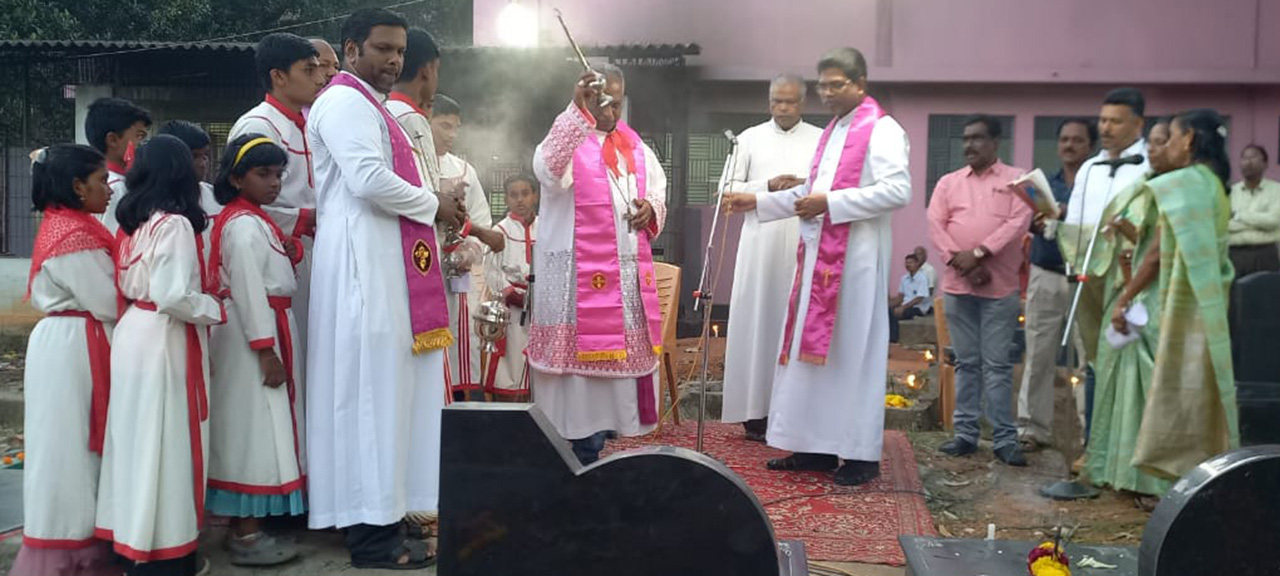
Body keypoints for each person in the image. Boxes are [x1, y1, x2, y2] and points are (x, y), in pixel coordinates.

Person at [305, 8, 463, 569]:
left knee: (391, 394)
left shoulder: (371, 104)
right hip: (360, 267)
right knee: (370, 398)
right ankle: (371, 536)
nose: (394, 60)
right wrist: (433, 204)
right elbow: (368, 179)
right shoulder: (345, 102)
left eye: (399, 50)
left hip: (384, 264)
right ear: (351, 50)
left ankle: (391, 516)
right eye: (382, 49)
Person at [723, 47, 911, 486]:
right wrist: (759, 201)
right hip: (818, 263)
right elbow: (811, 191)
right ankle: (815, 447)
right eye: (822, 86)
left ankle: (859, 456)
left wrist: (830, 203)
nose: (827, 94)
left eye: (835, 85)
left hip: (856, 265)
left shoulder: (882, 129)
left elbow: (897, 191)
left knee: (850, 357)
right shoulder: (833, 132)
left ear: (860, 83)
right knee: (810, 355)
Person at [95, 135, 223, 576]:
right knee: (168, 443)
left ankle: (131, 541)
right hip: (165, 335)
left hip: (134, 331)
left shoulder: (134, 223)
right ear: (181, 172)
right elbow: (173, 295)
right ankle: (166, 553)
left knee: (136, 440)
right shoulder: (174, 225)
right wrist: (214, 308)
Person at [529, 63, 668, 466]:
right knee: (578, 385)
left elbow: (658, 190)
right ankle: (575, 448)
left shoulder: (635, 147)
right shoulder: (567, 139)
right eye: (601, 102)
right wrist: (577, 113)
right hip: (576, 285)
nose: (609, 111)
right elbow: (548, 171)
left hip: (623, 284)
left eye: (616, 103)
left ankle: (604, 442)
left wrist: (651, 208)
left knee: (610, 389)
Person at [1102, 109, 1239, 504]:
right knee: (1197, 392)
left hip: (1175, 304)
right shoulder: (1214, 185)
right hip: (1208, 303)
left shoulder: (1183, 184)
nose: (1165, 147)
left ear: (1189, 139)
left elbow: (1157, 254)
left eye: (1172, 138)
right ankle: (1201, 482)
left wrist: (1124, 298)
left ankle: (1163, 485)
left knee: (1165, 390)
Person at [10, 145, 120, 576]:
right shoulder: (75, 237)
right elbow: (108, 300)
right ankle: (69, 545)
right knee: (70, 448)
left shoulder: (70, 225)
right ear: (77, 186)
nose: (109, 189)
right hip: (75, 347)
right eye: (101, 181)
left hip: (72, 343)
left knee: (69, 443)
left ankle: (81, 538)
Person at [205, 135, 306, 566]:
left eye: (278, 174)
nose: (274, 182)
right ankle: (245, 533)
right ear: (235, 178)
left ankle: (248, 527)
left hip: (267, 324)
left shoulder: (253, 219)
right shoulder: (244, 225)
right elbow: (248, 289)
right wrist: (265, 350)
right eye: (263, 174)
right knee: (253, 430)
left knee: (259, 426)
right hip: (254, 333)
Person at [228, 32, 324, 474]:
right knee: (295, 362)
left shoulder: (311, 121)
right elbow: (249, 204)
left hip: (315, 249)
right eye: (310, 70)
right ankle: (288, 473)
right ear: (278, 76)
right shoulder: (258, 125)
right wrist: (307, 218)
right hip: (282, 254)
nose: (320, 78)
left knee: (314, 362)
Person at [721, 74, 822, 442]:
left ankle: (795, 412)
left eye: (790, 101)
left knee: (795, 324)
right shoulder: (748, 139)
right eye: (776, 101)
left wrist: (800, 185)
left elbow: (832, 189)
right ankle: (755, 412)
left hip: (803, 244)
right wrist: (767, 185)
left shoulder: (820, 140)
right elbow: (725, 190)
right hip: (759, 246)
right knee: (758, 322)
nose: (782, 108)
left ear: (803, 103)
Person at [928, 114, 1033, 467]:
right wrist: (962, 263)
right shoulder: (948, 182)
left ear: (995, 142)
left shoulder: (1016, 180)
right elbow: (936, 225)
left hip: (1000, 288)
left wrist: (979, 254)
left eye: (977, 138)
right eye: (965, 139)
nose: (969, 145)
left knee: (998, 365)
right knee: (966, 363)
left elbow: (1018, 222)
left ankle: (1004, 439)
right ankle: (965, 435)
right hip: (959, 287)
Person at [1084, 118, 1176, 505]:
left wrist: (1127, 291)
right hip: (1127, 286)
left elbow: (1156, 251)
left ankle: (1153, 481)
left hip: (1155, 296)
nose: (1153, 149)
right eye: (1151, 142)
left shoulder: (1175, 191)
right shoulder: (1142, 187)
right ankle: (1117, 469)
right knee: (1117, 380)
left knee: (1148, 386)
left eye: (1162, 142)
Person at [1060, 88, 1150, 448]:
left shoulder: (1148, 165)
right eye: (1103, 120)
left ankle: (1126, 447)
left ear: (1138, 124)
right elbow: (1076, 222)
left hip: (1131, 277)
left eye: (1115, 121)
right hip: (1089, 277)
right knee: (1094, 360)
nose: (1106, 128)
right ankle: (1094, 446)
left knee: (1128, 361)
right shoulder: (1090, 167)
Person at [1016, 117, 1097, 451]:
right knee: (1038, 354)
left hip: (1085, 277)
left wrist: (1066, 214)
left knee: (1087, 359)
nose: (1069, 145)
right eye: (1064, 139)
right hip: (1045, 272)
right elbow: (1030, 224)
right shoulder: (1045, 184)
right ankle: (1032, 429)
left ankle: (1091, 436)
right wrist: (1038, 222)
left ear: (1090, 146)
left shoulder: (1097, 187)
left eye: (1077, 140)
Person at [431, 93, 504, 397]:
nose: (452, 134)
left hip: (458, 275)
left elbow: (481, 219)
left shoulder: (464, 170)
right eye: (444, 126)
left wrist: (469, 250)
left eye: (456, 127)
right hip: (424, 268)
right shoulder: (414, 165)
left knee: (461, 343)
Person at [484, 174, 540, 399]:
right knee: (512, 360)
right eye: (513, 195)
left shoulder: (546, 227)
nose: (520, 200)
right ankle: (512, 404)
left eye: (525, 194)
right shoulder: (500, 230)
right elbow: (491, 269)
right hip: (512, 308)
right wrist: (510, 293)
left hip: (542, 306)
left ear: (535, 196)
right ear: (506, 199)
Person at [84, 97, 150, 233]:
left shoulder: (96, 181)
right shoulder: (116, 189)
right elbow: (116, 242)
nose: (144, 145)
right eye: (139, 136)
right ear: (113, 140)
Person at [1227, 144, 1280, 277]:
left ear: (1265, 164)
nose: (1248, 162)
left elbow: (1273, 221)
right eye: (1244, 158)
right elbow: (1224, 225)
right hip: (1234, 255)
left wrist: (1237, 216)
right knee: (1234, 290)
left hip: (1265, 254)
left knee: (1267, 290)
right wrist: (1259, 222)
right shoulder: (1230, 192)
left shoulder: (1276, 190)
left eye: (1254, 157)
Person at [889, 253, 932, 344]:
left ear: (917, 264)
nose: (908, 265)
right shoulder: (904, 278)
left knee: (897, 314)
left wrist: (903, 307)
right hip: (905, 305)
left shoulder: (923, 278)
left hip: (919, 307)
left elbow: (919, 298)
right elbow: (901, 296)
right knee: (889, 311)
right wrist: (890, 305)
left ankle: (894, 339)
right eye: (907, 263)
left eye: (911, 262)